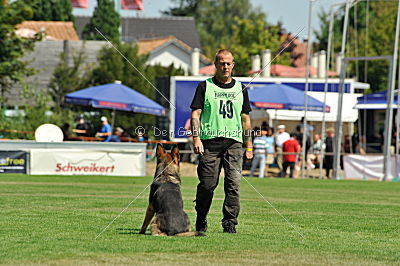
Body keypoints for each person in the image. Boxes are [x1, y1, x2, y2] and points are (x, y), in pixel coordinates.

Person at [190, 49, 252, 234]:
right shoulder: (205, 86)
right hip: (210, 142)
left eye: (229, 63)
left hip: (234, 142)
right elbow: (196, 113)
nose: (225, 66)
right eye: (222, 63)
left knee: (233, 184)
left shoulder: (241, 88)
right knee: (208, 185)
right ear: (216, 65)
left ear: (233, 65)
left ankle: (230, 222)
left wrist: (248, 145)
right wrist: (196, 138)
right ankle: (201, 219)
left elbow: (245, 119)